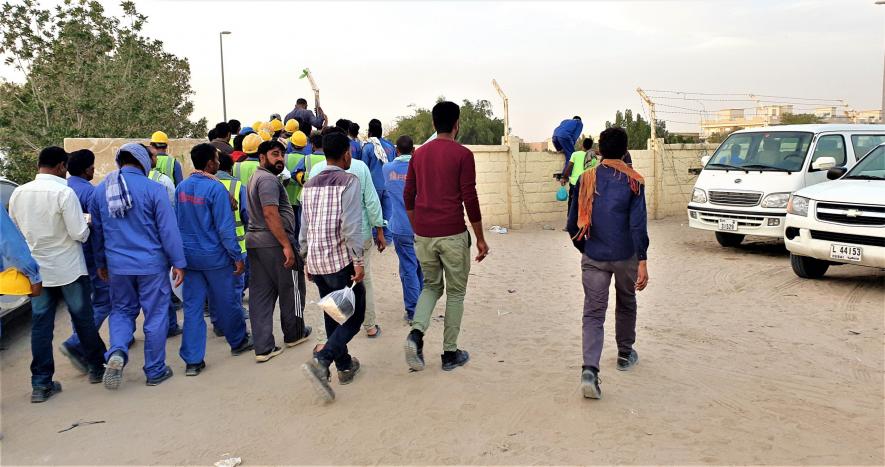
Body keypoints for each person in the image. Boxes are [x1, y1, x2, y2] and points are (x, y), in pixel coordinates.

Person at [9, 147, 107, 401]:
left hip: (37, 272)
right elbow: (79, 234)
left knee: (41, 327)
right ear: (62, 166)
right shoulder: (64, 192)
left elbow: (16, 234)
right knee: (83, 319)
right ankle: (97, 368)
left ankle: (41, 384)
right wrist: (87, 223)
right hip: (69, 269)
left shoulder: (19, 193)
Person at [90, 143, 186, 389]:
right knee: (155, 315)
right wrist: (178, 262)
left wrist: (101, 262)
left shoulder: (101, 190)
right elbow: (168, 229)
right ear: (142, 161)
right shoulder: (154, 189)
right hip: (151, 265)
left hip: (117, 266)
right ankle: (154, 370)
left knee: (121, 311)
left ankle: (117, 352)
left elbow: (97, 232)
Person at [403, 101, 489, 372]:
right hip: (452, 233)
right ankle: (449, 353)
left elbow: (408, 195)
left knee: (430, 286)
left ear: (433, 123)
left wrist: (419, 226)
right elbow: (469, 198)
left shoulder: (419, 155)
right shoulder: (463, 154)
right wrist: (480, 237)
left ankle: (416, 334)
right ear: (457, 124)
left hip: (424, 235)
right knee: (455, 293)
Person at [566, 126, 649, 400]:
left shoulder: (586, 178)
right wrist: (643, 260)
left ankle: (590, 370)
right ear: (626, 151)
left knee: (593, 313)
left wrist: (586, 249)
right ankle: (625, 354)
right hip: (625, 256)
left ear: (599, 150)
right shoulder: (634, 181)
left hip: (594, 256)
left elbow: (571, 224)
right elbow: (637, 226)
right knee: (626, 302)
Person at [299, 131, 367, 402]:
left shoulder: (310, 184)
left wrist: (305, 258)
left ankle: (344, 365)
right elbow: (351, 226)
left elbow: (303, 226)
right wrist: (358, 261)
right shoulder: (349, 181)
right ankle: (323, 359)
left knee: (333, 314)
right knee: (355, 317)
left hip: (317, 261)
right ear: (346, 152)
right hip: (340, 261)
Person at [175, 144, 253, 376]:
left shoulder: (182, 187)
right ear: (210, 163)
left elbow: (177, 222)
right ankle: (238, 341)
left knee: (192, 307)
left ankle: (193, 360)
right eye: (217, 160)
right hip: (215, 258)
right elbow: (225, 228)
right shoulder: (215, 190)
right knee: (227, 302)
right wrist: (236, 256)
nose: (219, 163)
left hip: (189, 257)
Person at [307, 127, 386, 338]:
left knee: (330, 293)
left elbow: (308, 216)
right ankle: (369, 325)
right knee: (363, 279)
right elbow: (371, 202)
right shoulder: (359, 169)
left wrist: (306, 255)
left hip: (327, 242)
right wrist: (379, 229)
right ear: (345, 151)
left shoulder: (315, 172)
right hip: (359, 236)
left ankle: (328, 338)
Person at [246, 140, 311, 363]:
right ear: (262, 156)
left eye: (282, 154)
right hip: (274, 242)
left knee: (261, 295)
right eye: (275, 154)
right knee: (292, 288)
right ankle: (295, 334)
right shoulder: (267, 180)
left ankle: (263, 347)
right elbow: (270, 213)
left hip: (256, 242)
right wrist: (286, 245)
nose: (280, 159)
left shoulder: (256, 176)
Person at [59, 150, 113, 374]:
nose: (93, 169)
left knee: (80, 307)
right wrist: (102, 261)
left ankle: (86, 351)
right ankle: (76, 342)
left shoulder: (63, 188)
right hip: (89, 256)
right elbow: (96, 229)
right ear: (86, 169)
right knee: (104, 302)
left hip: (68, 257)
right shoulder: (89, 192)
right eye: (92, 166)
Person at [383, 136, 424, 323]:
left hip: (400, 227)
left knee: (408, 269)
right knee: (420, 268)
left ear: (396, 151)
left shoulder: (387, 169)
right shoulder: (422, 168)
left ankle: (414, 311)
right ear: (413, 149)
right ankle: (422, 306)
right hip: (422, 227)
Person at [144, 143, 182, 336]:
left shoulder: (114, 184)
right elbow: (174, 212)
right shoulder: (164, 180)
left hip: (131, 250)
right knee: (162, 285)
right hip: (159, 241)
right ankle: (170, 325)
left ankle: (122, 342)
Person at [358, 120, 395, 232]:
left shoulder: (368, 147)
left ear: (370, 131)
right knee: (388, 212)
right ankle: (388, 238)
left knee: (374, 212)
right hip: (388, 184)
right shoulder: (390, 146)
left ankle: (376, 237)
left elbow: (364, 168)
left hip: (373, 185)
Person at [560, 137, 599, 215]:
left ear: (582, 145)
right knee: (586, 204)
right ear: (591, 146)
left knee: (572, 203)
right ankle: (583, 224)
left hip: (574, 183)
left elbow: (569, 167)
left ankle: (570, 224)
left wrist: (564, 177)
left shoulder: (575, 154)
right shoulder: (593, 156)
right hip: (587, 183)